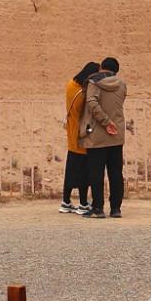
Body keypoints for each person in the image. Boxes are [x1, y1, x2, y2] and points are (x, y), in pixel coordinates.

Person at [80, 57, 128, 217]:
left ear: (101, 67)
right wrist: (111, 123)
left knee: (96, 173)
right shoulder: (122, 84)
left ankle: (98, 207)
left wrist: (106, 122)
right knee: (116, 173)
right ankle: (116, 208)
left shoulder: (94, 82)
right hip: (116, 134)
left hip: (97, 134)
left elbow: (92, 103)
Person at [60, 61, 100, 214]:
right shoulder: (84, 92)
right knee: (84, 171)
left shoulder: (71, 84)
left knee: (70, 170)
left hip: (72, 133)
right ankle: (83, 203)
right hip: (82, 135)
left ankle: (66, 201)